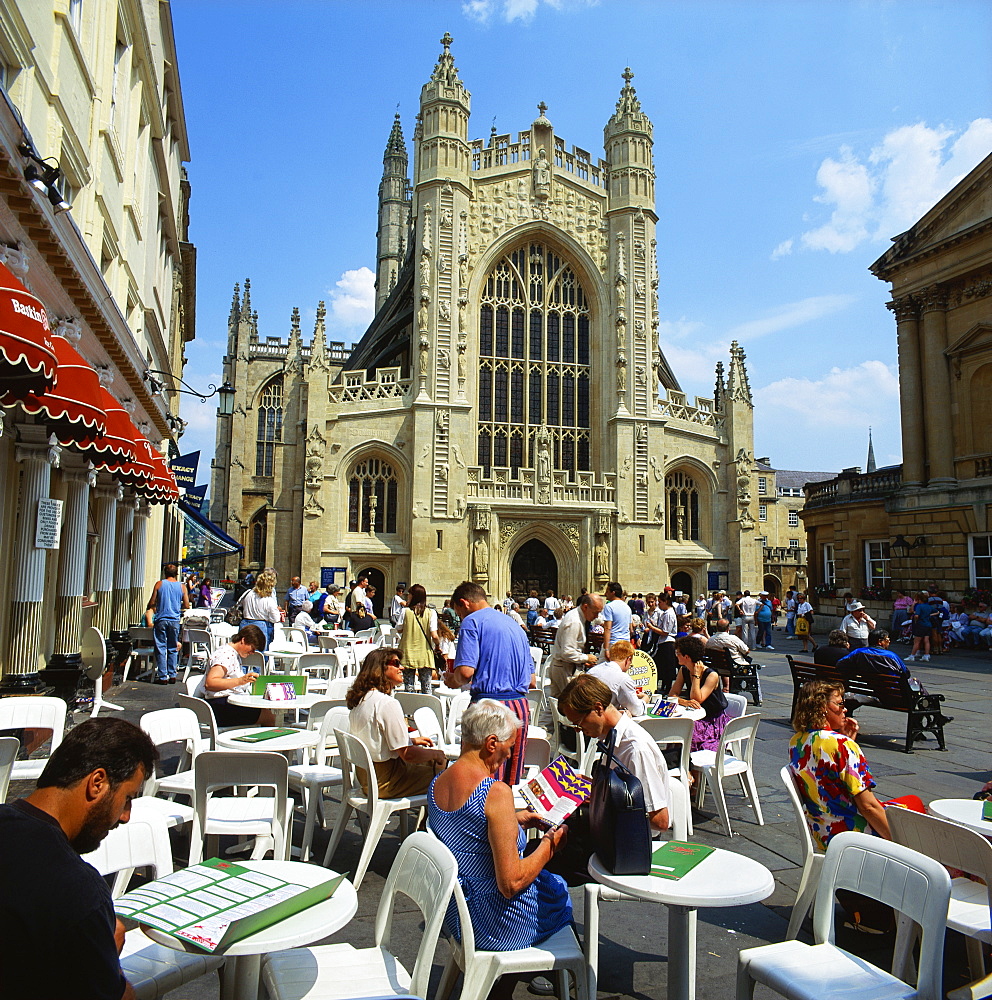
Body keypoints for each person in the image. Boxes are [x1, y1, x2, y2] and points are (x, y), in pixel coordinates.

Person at [0, 717, 157, 1000]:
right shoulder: (79, 894)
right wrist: (109, 956)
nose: (125, 816)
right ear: (97, 782)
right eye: (127, 798)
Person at [427, 700, 571, 953]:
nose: (510, 754)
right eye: (510, 746)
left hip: (455, 912)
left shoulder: (439, 781)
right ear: (492, 743)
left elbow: (464, 830)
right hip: (494, 922)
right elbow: (511, 883)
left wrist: (513, 820)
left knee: (552, 886)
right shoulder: (494, 793)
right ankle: (536, 977)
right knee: (558, 890)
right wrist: (550, 846)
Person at [788, 680, 922, 850]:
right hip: (854, 834)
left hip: (823, 833)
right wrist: (902, 846)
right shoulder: (841, 746)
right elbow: (868, 807)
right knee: (916, 805)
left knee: (910, 803)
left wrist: (847, 742)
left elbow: (826, 777)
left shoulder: (797, 741)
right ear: (822, 707)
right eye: (840, 703)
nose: (845, 709)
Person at [445, 581, 535, 785]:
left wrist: (453, 680)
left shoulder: (472, 622)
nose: (460, 617)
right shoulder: (515, 625)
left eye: (458, 612)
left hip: (490, 709)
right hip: (519, 708)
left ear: (463, 603)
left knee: (479, 779)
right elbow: (531, 681)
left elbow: (466, 672)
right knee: (506, 782)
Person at [558, 674, 671, 835]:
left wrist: (600, 798)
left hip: (632, 842)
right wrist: (593, 787)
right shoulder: (612, 737)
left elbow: (659, 821)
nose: (578, 730)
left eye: (579, 723)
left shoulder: (635, 749)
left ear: (598, 709)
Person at [347, 646, 447, 797]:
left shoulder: (361, 700)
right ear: (380, 668)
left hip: (367, 779)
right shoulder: (386, 703)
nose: (402, 667)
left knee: (434, 766)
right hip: (389, 782)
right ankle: (436, 819)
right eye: (396, 663)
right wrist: (437, 754)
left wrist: (411, 740)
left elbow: (376, 739)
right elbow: (408, 755)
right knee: (447, 775)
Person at [195, 624, 276, 727]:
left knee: (265, 711)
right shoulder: (226, 655)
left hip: (225, 701)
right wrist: (240, 681)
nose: (252, 653)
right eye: (252, 648)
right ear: (243, 640)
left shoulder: (232, 653)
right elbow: (210, 682)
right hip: (220, 706)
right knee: (268, 717)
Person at [669, 634, 730, 752]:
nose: (676, 656)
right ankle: (678, 762)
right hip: (695, 715)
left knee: (688, 732)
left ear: (686, 657)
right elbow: (672, 695)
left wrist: (696, 676)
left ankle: (688, 764)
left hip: (711, 719)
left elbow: (697, 699)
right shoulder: (684, 670)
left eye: (678, 653)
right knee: (676, 729)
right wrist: (685, 702)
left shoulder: (712, 675)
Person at [548, 592, 603, 696]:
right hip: (564, 668)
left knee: (558, 705)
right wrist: (586, 658)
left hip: (567, 666)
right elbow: (567, 652)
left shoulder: (579, 616)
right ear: (585, 607)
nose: (597, 616)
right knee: (570, 704)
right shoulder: (574, 622)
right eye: (595, 612)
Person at [147, 562, 189, 685]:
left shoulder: (160, 584)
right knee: (172, 647)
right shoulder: (182, 587)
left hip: (161, 618)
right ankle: (172, 674)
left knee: (160, 647)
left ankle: (162, 676)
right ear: (176, 574)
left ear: (165, 573)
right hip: (174, 619)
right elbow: (186, 604)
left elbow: (151, 602)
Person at [396, 583, 439, 694]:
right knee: (426, 686)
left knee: (409, 686)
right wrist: (438, 645)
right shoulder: (431, 613)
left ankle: (409, 709)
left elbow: (398, 629)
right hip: (425, 653)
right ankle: (426, 708)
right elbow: (434, 634)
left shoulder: (405, 612)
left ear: (413, 596)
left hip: (407, 652)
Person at [588, 639, 649, 716]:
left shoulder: (592, 671)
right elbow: (636, 710)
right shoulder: (623, 678)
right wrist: (645, 699)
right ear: (628, 659)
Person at [239, 568, 281, 649]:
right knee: (259, 654)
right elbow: (276, 618)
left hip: (245, 623)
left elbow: (240, 604)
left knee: (243, 650)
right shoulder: (268, 600)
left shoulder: (248, 593)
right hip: (260, 625)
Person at [650, 592, 679, 690]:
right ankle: (664, 686)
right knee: (663, 666)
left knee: (667, 666)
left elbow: (665, 632)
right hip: (663, 642)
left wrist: (652, 628)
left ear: (666, 602)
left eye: (660, 602)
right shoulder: (665, 613)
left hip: (668, 642)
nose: (658, 604)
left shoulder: (669, 614)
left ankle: (667, 687)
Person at [601, 581, 632, 651]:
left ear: (613, 592)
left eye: (607, 591)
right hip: (625, 642)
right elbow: (630, 629)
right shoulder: (627, 607)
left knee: (602, 661)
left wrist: (606, 648)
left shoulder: (609, 606)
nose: (605, 594)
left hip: (613, 643)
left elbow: (607, 628)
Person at [908, 590, 936, 662]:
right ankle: (926, 655)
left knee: (917, 641)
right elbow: (937, 612)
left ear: (919, 600)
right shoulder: (929, 606)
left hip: (921, 624)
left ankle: (912, 655)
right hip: (928, 624)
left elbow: (916, 615)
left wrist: (916, 619)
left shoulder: (919, 606)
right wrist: (929, 615)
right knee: (926, 640)